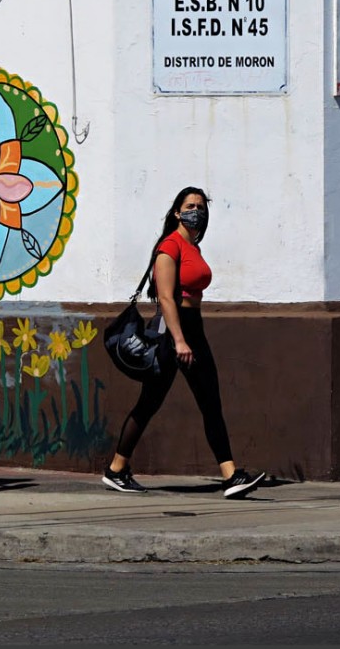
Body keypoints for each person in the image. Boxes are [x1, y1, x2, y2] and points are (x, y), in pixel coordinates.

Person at [103, 186, 265, 499]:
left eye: (201, 206)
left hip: (193, 328)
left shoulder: (193, 247)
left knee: (194, 401)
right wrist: (179, 341)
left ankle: (118, 469)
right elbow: (165, 297)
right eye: (190, 205)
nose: (196, 210)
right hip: (174, 332)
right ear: (177, 211)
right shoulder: (170, 246)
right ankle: (229, 476)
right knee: (168, 402)